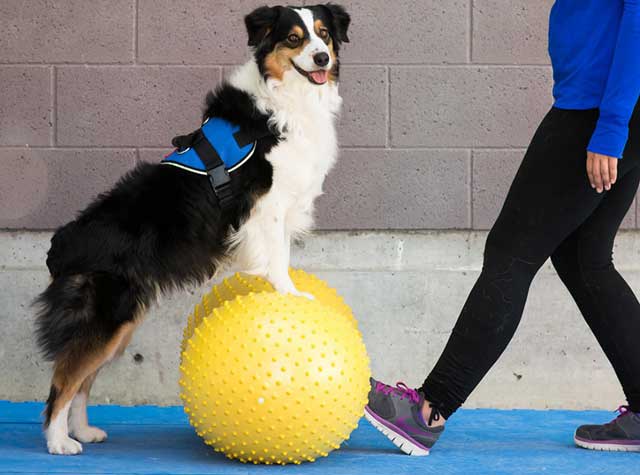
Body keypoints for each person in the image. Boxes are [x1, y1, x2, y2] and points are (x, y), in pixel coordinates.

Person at [365, 0, 640, 455]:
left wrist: (610, 126)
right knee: (583, 257)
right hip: (611, 102)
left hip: (601, 107)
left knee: (511, 253)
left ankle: (427, 411)